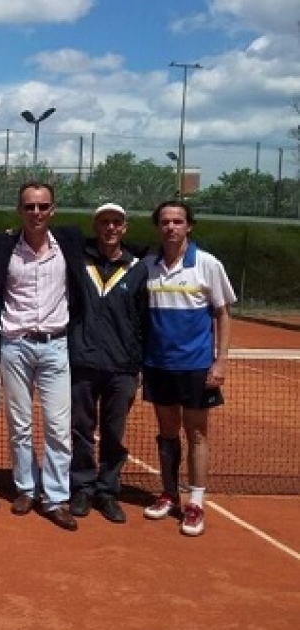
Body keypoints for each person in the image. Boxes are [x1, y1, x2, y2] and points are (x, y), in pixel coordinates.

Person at [0, 182, 85, 531]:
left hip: (57, 346)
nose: (36, 213)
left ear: (53, 209)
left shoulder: (70, 242)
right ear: (20, 210)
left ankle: (55, 498)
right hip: (14, 346)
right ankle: (26, 488)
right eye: (30, 206)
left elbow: (118, 247)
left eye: (43, 206)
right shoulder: (2, 246)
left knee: (58, 428)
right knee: (20, 426)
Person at [141, 200, 235, 536]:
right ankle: (169, 493)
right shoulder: (148, 265)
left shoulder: (208, 264)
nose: (171, 227)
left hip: (196, 366)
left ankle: (195, 503)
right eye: (165, 221)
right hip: (157, 365)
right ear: (158, 227)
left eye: (177, 221)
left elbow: (223, 314)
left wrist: (220, 361)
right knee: (167, 432)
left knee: (196, 434)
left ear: (189, 226)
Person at [68, 203, 148, 524]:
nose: (110, 228)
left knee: (114, 432)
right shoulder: (78, 260)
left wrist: (139, 364)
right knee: (81, 429)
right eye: (104, 222)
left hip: (122, 366)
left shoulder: (139, 267)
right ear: (96, 226)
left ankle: (108, 491)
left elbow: (145, 319)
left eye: (117, 222)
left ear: (125, 228)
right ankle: (83, 488)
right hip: (83, 362)